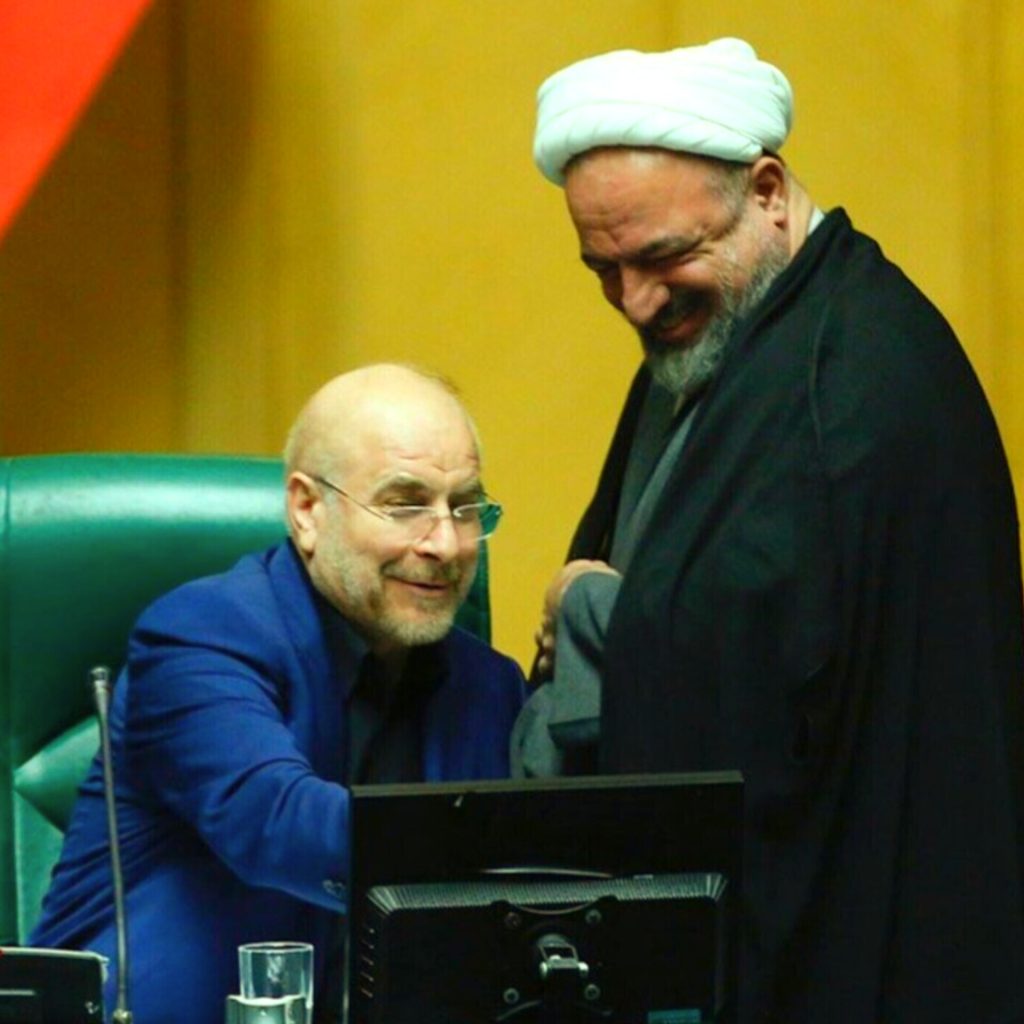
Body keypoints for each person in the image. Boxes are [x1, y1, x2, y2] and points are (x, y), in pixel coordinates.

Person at [516, 37, 1024, 1024]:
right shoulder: (739, 332)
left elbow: (757, 685)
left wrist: (586, 611)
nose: (635, 300)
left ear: (768, 191)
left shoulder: (853, 385)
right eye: (603, 269)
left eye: (663, 256)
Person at [31, 363, 526, 1024]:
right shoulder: (199, 635)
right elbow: (278, 825)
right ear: (307, 510)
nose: (445, 543)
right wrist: (512, 842)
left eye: (465, 507)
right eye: (405, 504)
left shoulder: (490, 686)